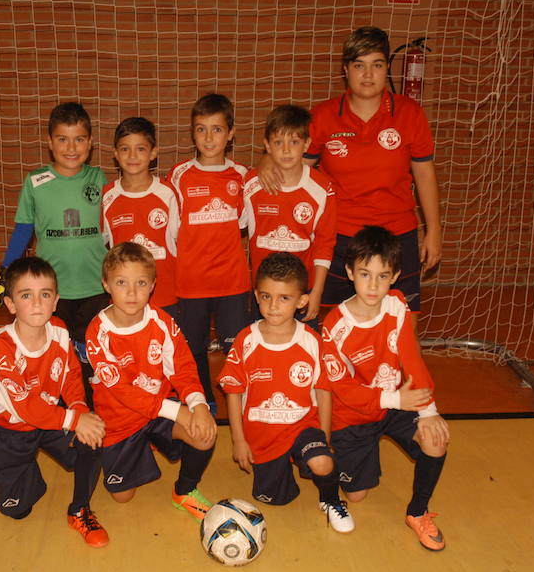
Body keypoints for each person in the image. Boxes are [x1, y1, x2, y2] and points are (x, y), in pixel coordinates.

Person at [260, 27, 442, 324]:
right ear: (345, 70)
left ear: (386, 69)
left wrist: (433, 230)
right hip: (340, 237)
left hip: (398, 235)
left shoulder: (411, 114)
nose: (368, 74)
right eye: (359, 65)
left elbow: (424, 173)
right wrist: (267, 158)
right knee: (331, 327)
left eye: (377, 65)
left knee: (401, 328)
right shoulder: (323, 116)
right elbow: (293, 160)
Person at [321, 226, 449, 551]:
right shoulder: (336, 326)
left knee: (436, 440)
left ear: (395, 277)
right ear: (350, 272)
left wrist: (428, 411)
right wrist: (396, 397)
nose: (373, 285)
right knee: (357, 496)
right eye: (365, 274)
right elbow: (344, 391)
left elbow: (411, 358)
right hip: (354, 416)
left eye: (383, 275)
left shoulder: (396, 304)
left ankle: (417, 512)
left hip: (395, 404)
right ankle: (326, 452)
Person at [219, 252, 354, 533]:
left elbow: (324, 390)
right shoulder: (246, 340)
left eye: (284, 298)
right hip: (262, 436)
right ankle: (280, 469)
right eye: (266, 296)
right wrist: (238, 440)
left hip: (303, 426)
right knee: (276, 500)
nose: (273, 306)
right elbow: (233, 391)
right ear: (256, 296)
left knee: (321, 462)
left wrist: (325, 437)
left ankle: (330, 499)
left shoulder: (311, 342)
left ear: (301, 301)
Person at [0, 256, 109, 548]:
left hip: (52, 419)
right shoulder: (1, 345)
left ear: (56, 301)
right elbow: (24, 407)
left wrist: (79, 409)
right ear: (11, 304)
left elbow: (72, 375)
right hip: (7, 430)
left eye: (45, 294)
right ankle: (25, 471)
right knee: (16, 510)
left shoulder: (60, 331)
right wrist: (74, 420)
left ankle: (79, 510)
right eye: (26, 295)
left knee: (93, 439)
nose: (37, 303)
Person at [86, 242, 217, 522]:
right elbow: (123, 392)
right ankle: (133, 449)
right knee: (123, 497)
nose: (132, 292)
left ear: (153, 285)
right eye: (121, 282)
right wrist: (178, 411)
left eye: (141, 282)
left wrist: (198, 404)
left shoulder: (161, 321)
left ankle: (184, 490)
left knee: (204, 433)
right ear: (106, 285)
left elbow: (183, 367)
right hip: (120, 420)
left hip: (158, 411)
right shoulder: (98, 332)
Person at [0, 102, 108, 403]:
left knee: (92, 354)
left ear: (91, 143)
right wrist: (4, 274)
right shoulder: (35, 183)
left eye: (79, 139)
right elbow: (22, 232)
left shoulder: (101, 180)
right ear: (49, 142)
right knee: (54, 351)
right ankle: (56, 408)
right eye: (62, 139)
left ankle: (92, 410)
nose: (71, 147)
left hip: (95, 286)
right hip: (50, 291)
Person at [165, 93, 252, 411]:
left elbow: (247, 223)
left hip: (232, 283)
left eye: (217, 129)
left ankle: (238, 403)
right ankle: (203, 403)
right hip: (191, 285)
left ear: (230, 133)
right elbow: (170, 232)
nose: (209, 137)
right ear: (192, 132)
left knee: (236, 349)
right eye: (201, 129)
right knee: (192, 348)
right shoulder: (178, 177)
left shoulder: (243, 178)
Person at [241, 105, 338, 328]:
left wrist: (317, 292)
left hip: (301, 294)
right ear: (267, 145)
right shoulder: (251, 185)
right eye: (278, 143)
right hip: (263, 295)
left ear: (306, 144)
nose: (286, 150)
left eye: (294, 142)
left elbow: (325, 245)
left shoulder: (322, 189)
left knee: (306, 355)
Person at [101, 117, 180, 317]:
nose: (132, 155)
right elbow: (106, 247)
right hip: (123, 297)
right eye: (125, 149)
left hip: (164, 295)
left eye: (141, 149)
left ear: (153, 153)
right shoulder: (108, 196)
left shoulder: (167, 193)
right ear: (116, 154)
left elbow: (180, 243)